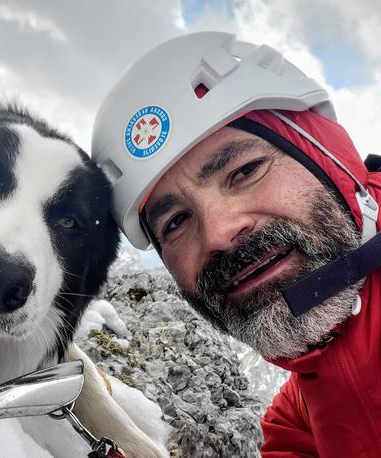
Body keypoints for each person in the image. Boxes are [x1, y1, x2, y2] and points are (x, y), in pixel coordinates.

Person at [91, 31, 381, 456]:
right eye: (176, 222)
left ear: (328, 158)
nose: (218, 233)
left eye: (245, 171)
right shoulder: (296, 420)